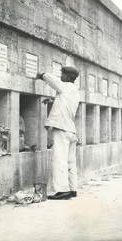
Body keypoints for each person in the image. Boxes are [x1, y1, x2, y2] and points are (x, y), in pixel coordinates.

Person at [36, 60, 80, 200]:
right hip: (71, 131)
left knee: (59, 160)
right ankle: (73, 189)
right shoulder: (74, 91)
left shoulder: (65, 86)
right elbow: (64, 103)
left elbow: (52, 80)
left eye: (62, 74)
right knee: (70, 162)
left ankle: (62, 190)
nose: (61, 76)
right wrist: (52, 102)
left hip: (62, 129)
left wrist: (42, 74)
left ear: (68, 77)